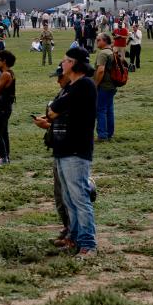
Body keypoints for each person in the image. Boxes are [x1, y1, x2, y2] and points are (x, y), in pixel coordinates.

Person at [33, 47, 97, 258]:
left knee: (79, 198)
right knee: (69, 198)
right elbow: (51, 111)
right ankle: (74, 238)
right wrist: (52, 112)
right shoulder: (70, 86)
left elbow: (53, 109)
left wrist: (53, 111)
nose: (63, 64)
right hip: (62, 147)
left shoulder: (84, 85)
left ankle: (88, 244)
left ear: (76, 64)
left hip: (76, 149)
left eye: (67, 61)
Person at [44, 64, 72, 245]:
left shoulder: (74, 93)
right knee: (59, 194)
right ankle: (67, 227)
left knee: (68, 194)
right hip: (59, 146)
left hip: (70, 149)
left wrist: (49, 120)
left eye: (60, 77)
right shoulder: (63, 93)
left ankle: (73, 232)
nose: (58, 80)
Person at [0, 49, 16, 166]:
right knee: (3, 132)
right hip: (6, 107)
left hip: (3, 107)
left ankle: (4, 158)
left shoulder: (5, 74)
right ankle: (6, 156)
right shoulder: (10, 72)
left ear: (4, 61)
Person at [93, 33, 116, 141]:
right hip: (112, 85)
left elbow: (101, 70)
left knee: (100, 110)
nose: (96, 41)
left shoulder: (103, 53)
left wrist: (95, 84)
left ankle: (102, 135)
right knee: (109, 110)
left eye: (98, 40)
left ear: (104, 41)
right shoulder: (111, 51)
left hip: (103, 86)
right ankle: (109, 133)